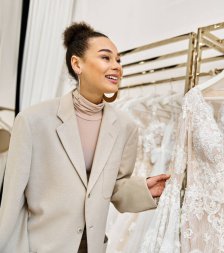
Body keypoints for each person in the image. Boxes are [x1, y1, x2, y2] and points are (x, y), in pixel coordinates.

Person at [0, 22, 170, 253]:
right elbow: (11, 202)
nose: (116, 66)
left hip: (91, 247)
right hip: (42, 247)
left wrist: (144, 190)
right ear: (77, 63)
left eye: (118, 60)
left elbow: (115, 188)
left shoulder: (125, 127)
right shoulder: (33, 120)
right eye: (106, 58)